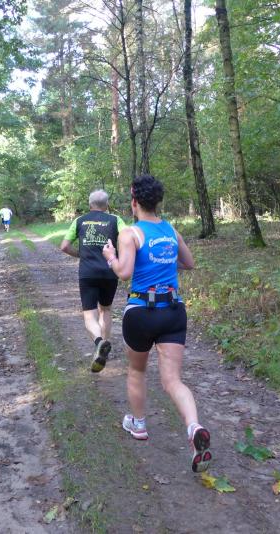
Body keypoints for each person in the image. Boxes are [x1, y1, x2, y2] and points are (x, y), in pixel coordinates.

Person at [102, 174, 211, 473]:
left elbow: (124, 272)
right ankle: (193, 427)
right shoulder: (170, 230)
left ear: (134, 202)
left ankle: (138, 424)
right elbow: (189, 263)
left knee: (137, 370)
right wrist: (163, 262)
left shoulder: (130, 233)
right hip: (173, 310)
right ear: (157, 202)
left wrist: (110, 256)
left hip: (141, 312)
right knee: (173, 380)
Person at [60, 190, 127, 373]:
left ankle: (99, 343)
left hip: (87, 272)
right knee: (105, 309)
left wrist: (80, 254)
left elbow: (64, 246)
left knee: (89, 314)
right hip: (109, 271)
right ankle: (104, 345)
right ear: (107, 205)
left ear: (90, 204)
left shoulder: (80, 220)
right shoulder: (115, 220)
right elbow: (127, 240)